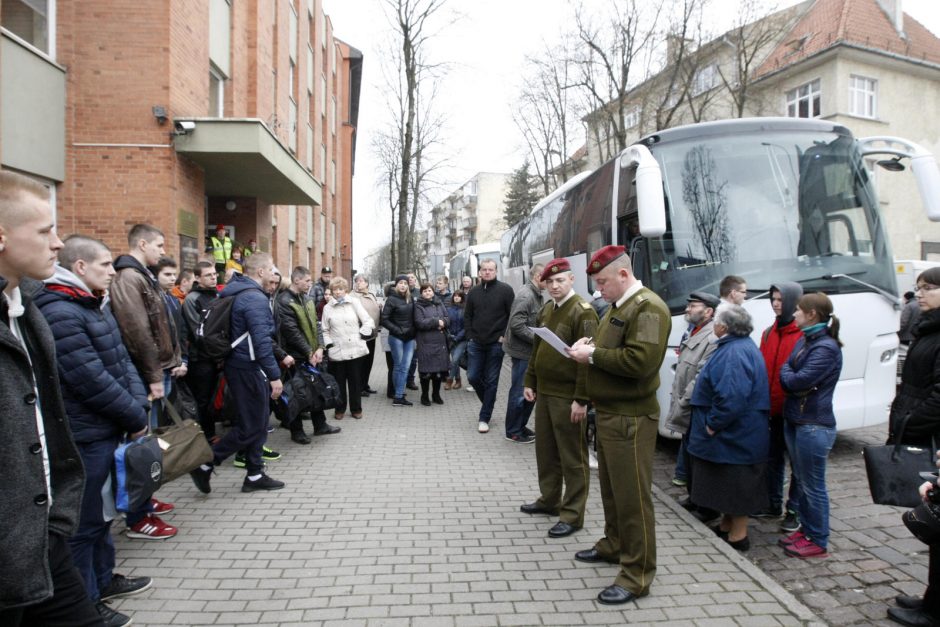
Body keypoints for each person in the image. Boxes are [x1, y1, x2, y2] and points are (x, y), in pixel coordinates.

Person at [0, 171, 102, 626]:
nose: (58, 243)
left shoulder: (28, 308)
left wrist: (58, 518)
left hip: (42, 537)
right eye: (44, 231)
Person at [37, 235, 153, 626]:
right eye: (106, 265)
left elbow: (121, 362)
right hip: (85, 436)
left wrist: (139, 403)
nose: (112, 272)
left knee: (102, 517)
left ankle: (105, 580)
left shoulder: (91, 304)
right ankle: (88, 600)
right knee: (84, 524)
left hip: (108, 427)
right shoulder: (62, 312)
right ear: (81, 267)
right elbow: (89, 378)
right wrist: (134, 416)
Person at [567, 245, 670, 606]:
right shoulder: (619, 306)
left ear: (624, 275)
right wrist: (590, 345)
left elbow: (639, 362)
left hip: (631, 417)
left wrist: (592, 354)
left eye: (603, 282)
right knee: (612, 491)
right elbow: (614, 347)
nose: (599, 290)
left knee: (633, 499)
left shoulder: (647, 308)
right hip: (612, 414)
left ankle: (637, 574)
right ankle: (614, 544)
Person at [189, 252, 286, 494]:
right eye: (272, 268)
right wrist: (274, 376)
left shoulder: (237, 291)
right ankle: (206, 463)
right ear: (261, 272)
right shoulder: (254, 298)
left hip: (240, 364)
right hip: (246, 366)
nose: (274, 273)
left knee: (259, 420)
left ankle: (254, 474)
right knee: (251, 426)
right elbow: (262, 342)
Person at [109, 224, 180, 540]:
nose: (163, 251)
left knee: (147, 443)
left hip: (155, 370)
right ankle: (136, 517)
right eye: (159, 245)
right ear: (142, 244)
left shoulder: (143, 277)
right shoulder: (129, 278)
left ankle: (144, 501)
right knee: (138, 446)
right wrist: (153, 376)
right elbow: (137, 332)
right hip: (142, 374)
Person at [521, 259, 598, 538]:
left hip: (568, 396)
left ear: (571, 280)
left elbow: (587, 361)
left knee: (572, 457)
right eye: (549, 281)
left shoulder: (583, 312)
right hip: (546, 393)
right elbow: (538, 349)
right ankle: (549, 500)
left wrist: (581, 398)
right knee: (546, 451)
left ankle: (573, 513)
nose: (554, 286)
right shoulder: (546, 309)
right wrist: (530, 380)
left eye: (560, 281)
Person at [686, 305, 771, 552]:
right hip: (736, 436)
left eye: (717, 322)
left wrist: (713, 424)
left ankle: (738, 536)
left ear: (723, 327)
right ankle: (726, 525)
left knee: (736, 485)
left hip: (734, 436)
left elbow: (732, 396)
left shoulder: (734, 352)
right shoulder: (737, 347)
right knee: (725, 483)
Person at [890, 271, 940, 626]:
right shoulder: (929, 328)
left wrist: (910, 423)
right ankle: (930, 598)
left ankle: (935, 610)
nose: (919, 293)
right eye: (919, 287)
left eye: (928, 288)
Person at [778, 292, 843, 559]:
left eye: (798, 311)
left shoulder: (825, 347)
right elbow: (788, 372)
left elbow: (795, 380)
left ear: (812, 314)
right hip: (798, 420)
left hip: (814, 425)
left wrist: (789, 376)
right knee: (803, 481)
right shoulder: (807, 340)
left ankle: (818, 539)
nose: (793, 314)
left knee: (813, 485)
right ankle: (806, 530)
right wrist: (789, 375)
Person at [664, 291, 720, 510]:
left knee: (698, 460)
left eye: (693, 306)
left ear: (708, 311)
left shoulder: (712, 337)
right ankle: (693, 497)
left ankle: (702, 504)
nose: (688, 309)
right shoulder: (694, 331)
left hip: (694, 407)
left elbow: (700, 377)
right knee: (689, 458)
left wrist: (684, 401)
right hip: (687, 405)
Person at [758, 282, 804, 533]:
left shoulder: (803, 335)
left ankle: (794, 509)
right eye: (773, 299)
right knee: (772, 459)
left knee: (798, 465)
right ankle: (772, 502)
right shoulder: (768, 333)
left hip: (794, 412)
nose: (776, 303)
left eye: (781, 299)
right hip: (771, 410)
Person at [276, 266, 340, 443]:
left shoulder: (306, 299)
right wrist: (308, 351)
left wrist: (320, 347)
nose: (310, 284)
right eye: (307, 281)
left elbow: (317, 325)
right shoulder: (284, 301)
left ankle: (320, 425)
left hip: (312, 354)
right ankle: (296, 431)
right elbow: (291, 331)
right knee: (297, 393)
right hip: (295, 356)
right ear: (296, 280)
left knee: (316, 389)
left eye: (311, 281)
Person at [464, 259, 515, 433]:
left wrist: (504, 336)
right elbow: (468, 316)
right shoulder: (473, 292)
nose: (487, 272)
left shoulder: (506, 290)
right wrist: (470, 336)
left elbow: (512, 316)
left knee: (492, 381)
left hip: (496, 343)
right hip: (476, 343)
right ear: (479, 272)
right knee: (472, 377)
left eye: (490, 269)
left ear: (496, 271)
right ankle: (489, 402)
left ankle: (484, 417)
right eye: (484, 270)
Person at [503, 263, 544, 443]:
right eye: (548, 278)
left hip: (527, 352)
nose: (551, 282)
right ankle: (513, 430)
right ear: (537, 277)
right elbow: (517, 325)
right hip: (522, 352)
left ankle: (520, 426)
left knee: (528, 391)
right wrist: (539, 339)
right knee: (520, 392)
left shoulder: (535, 294)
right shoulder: (526, 295)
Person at [322, 276, 373, 419]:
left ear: (345, 290)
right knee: (339, 382)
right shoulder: (328, 308)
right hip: (337, 350)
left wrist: (362, 334)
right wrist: (329, 345)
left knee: (355, 381)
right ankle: (339, 409)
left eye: (340, 289)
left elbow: (368, 321)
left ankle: (356, 409)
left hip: (355, 349)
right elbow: (324, 330)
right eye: (334, 290)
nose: (337, 292)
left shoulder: (354, 303)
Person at [182, 261, 221, 441]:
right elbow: (198, 332)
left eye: (214, 274)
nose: (213, 277)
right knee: (203, 399)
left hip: (218, 357)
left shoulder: (218, 295)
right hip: (201, 359)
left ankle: (211, 431)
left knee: (214, 397)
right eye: (208, 275)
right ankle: (206, 436)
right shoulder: (192, 299)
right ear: (197, 278)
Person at [413, 282, 450, 406]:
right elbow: (420, 323)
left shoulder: (439, 303)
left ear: (433, 291)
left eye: (429, 290)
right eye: (425, 291)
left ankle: (436, 394)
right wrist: (436, 322)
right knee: (426, 372)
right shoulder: (418, 306)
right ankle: (424, 396)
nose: (427, 293)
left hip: (440, 342)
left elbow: (447, 318)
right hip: (426, 342)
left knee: (438, 372)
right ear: (421, 293)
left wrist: (443, 322)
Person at [382, 275, 417, 406]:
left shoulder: (410, 298)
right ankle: (398, 395)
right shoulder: (391, 299)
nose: (403, 285)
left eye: (405, 283)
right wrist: (398, 330)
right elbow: (384, 319)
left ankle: (399, 394)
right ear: (396, 285)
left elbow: (414, 316)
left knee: (406, 366)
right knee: (399, 366)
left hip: (409, 338)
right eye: (400, 283)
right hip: (396, 337)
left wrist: (413, 330)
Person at [351, 274, 380, 396]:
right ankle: (358, 388)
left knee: (369, 361)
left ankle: (365, 384)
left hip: (372, 334)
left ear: (367, 283)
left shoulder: (371, 295)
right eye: (356, 281)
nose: (358, 283)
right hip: (360, 334)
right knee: (360, 363)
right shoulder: (353, 296)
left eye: (361, 281)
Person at [445, 290, 467, 390]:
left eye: (459, 296)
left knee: (454, 360)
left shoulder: (465, 310)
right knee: (455, 360)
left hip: (462, 340)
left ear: (462, 298)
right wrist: (450, 336)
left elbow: (466, 327)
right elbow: (446, 324)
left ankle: (449, 380)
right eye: (455, 296)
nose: (456, 297)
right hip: (451, 339)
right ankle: (458, 380)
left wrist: (457, 337)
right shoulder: (448, 309)